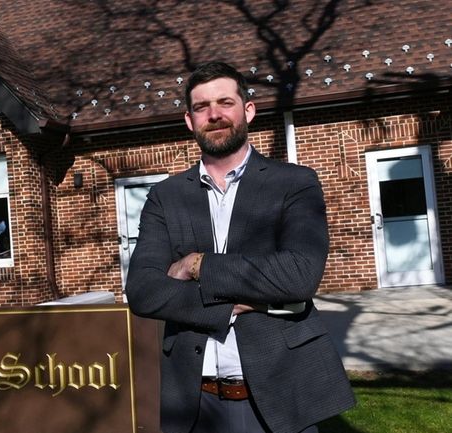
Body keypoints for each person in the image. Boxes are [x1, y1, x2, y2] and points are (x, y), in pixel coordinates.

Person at [125, 61, 355, 433]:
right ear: (189, 120)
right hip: (193, 402)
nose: (214, 115)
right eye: (202, 107)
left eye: (225, 103)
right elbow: (143, 291)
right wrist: (248, 300)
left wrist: (196, 265)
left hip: (281, 395)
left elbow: (298, 276)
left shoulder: (294, 184)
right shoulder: (165, 196)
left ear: (248, 110)